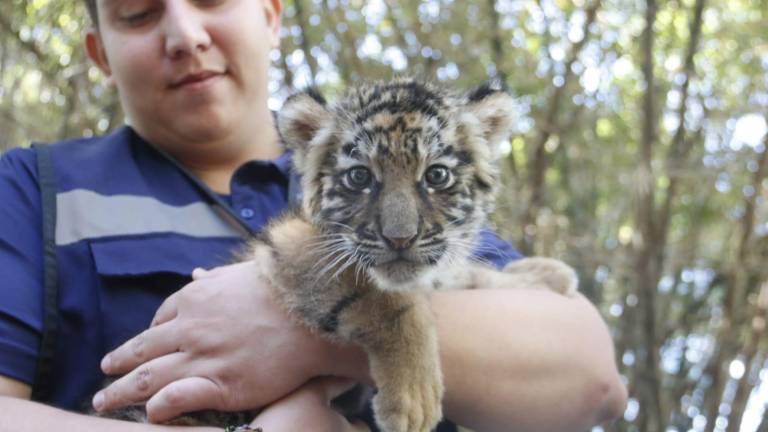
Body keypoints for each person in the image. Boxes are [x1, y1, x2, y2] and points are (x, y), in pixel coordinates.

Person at [0, 0, 628, 430]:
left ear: (271, 14)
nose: (185, 35)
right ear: (99, 52)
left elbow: (594, 379)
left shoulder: (413, 188)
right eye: (138, 12)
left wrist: (311, 342)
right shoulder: (32, 186)